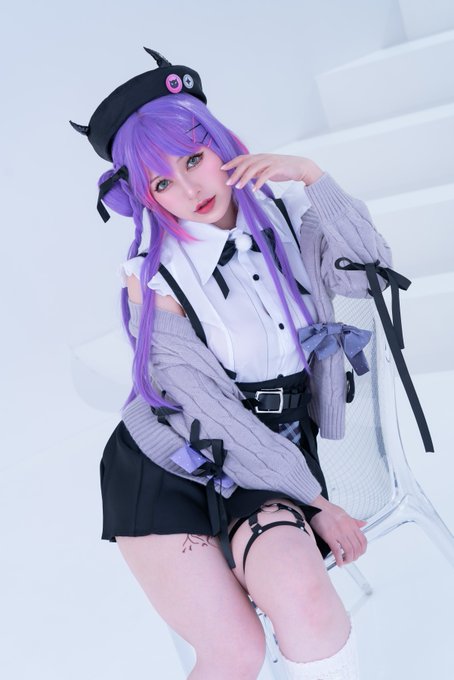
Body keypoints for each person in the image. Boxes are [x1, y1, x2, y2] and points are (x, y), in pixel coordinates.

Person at [70, 47, 399, 680]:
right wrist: (316, 501)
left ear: (221, 145)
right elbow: (208, 411)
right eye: (161, 183)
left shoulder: (291, 216)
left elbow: (373, 275)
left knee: (306, 600)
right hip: (170, 464)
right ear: (143, 196)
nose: (189, 190)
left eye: (193, 159)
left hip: (271, 452)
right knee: (235, 653)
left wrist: (313, 177)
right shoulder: (155, 278)